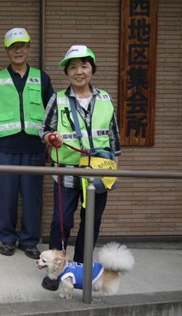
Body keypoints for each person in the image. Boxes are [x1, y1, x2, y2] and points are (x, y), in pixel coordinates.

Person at [39, 45, 121, 291]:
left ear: (92, 69)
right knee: (61, 223)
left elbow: (114, 138)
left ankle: (82, 270)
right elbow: (43, 130)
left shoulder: (105, 99)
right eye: (73, 67)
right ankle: (56, 272)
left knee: (91, 223)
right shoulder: (59, 98)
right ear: (67, 73)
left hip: (98, 172)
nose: (79, 71)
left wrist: (114, 170)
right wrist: (51, 137)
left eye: (84, 66)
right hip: (66, 171)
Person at [0, 28, 54, 259]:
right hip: (5, 148)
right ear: (7, 50)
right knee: (6, 196)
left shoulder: (42, 78)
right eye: (13, 46)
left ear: (29, 47)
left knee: (33, 197)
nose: (18, 50)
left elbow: (51, 113)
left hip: (35, 148)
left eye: (22, 45)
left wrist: (51, 145)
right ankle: (7, 238)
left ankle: (30, 241)